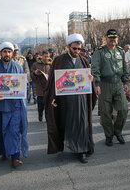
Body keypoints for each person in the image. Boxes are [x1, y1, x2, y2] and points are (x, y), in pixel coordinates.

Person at [44, 33, 97, 163]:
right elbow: (52, 81)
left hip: (81, 99)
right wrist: (53, 97)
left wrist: (91, 80)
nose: (77, 51)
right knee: (66, 123)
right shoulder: (59, 60)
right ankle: (67, 146)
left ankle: (82, 150)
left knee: (82, 123)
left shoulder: (84, 60)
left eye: (80, 49)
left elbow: (88, 79)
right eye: (74, 48)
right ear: (68, 47)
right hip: (65, 100)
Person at [91, 29, 129, 146]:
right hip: (104, 84)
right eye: (110, 37)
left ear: (117, 39)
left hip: (118, 84)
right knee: (105, 112)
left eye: (114, 37)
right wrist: (97, 84)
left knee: (123, 109)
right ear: (106, 38)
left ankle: (117, 132)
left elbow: (124, 68)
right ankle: (109, 135)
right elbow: (95, 69)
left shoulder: (121, 51)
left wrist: (125, 82)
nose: (113, 39)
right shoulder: (100, 52)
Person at [31, 50, 52, 122]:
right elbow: (31, 75)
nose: (46, 58)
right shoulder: (36, 64)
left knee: (48, 106)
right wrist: (35, 73)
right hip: (39, 87)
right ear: (42, 56)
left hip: (49, 88)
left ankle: (47, 118)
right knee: (40, 105)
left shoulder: (51, 64)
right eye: (45, 56)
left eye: (48, 57)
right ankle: (40, 114)